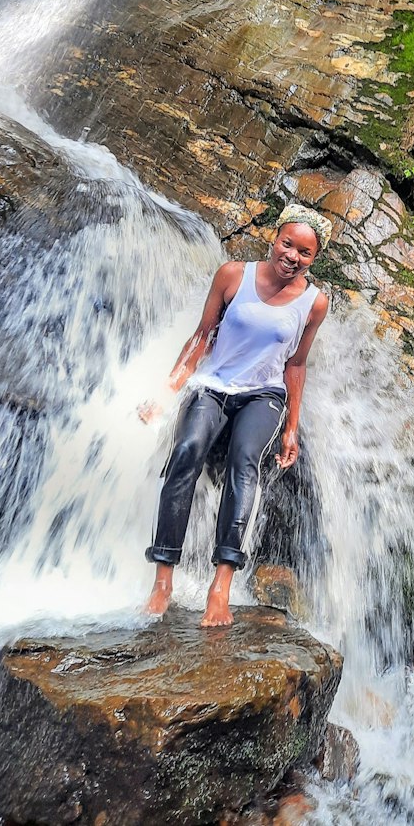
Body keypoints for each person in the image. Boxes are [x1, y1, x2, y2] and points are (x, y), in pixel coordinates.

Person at [141, 203, 331, 626]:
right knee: (187, 451)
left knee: (244, 463)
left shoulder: (314, 303)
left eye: (304, 252)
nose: (292, 256)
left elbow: (295, 364)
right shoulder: (232, 275)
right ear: (273, 239)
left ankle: (220, 586)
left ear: (313, 259)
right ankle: (162, 581)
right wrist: (166, 394)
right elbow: (202, 336)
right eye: (287, 244)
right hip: (213, 386)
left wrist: (292, 429)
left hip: (264, 395)